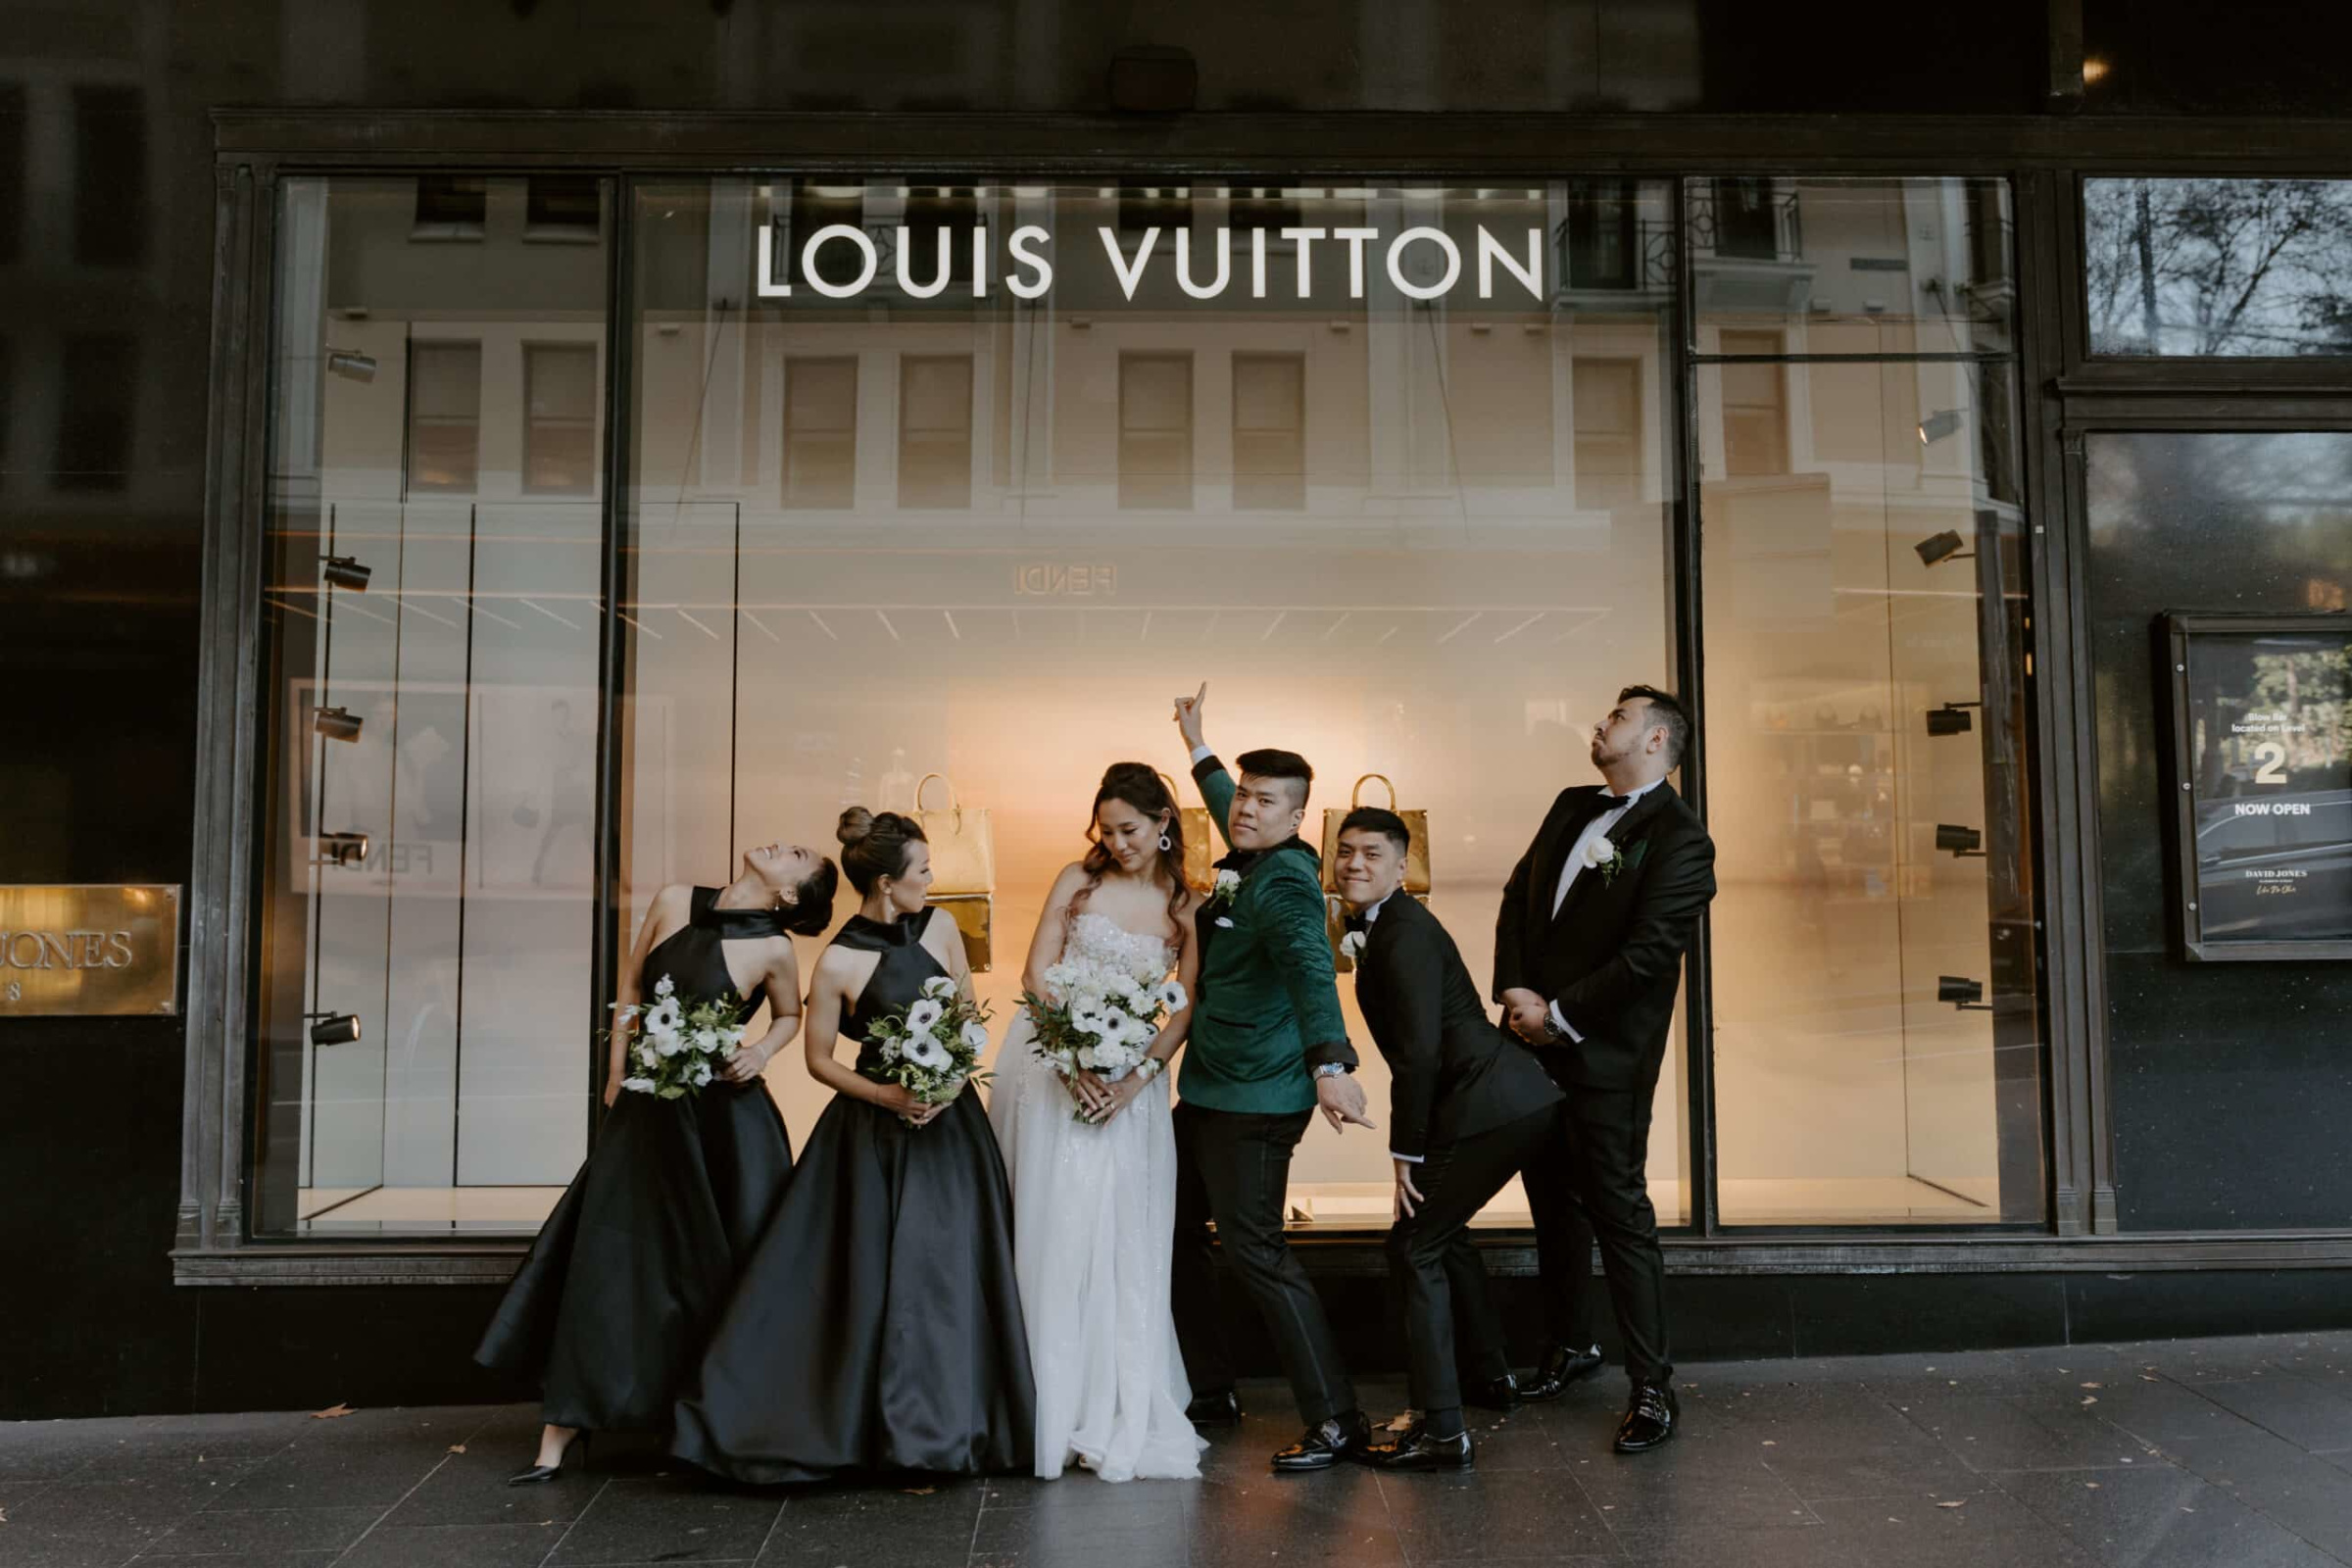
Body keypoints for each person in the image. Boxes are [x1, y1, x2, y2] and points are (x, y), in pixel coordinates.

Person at [670, 809, 1036, 1484]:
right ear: (890, 885)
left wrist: (951, 1086)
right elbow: (819, 1060)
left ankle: (950, 1424)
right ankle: (885, 1430)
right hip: (871, 1133)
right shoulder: (837, 960)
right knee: (873, 1279)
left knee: (947, 1276)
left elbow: (965, 1013)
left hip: (950, 1129)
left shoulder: (943, 928)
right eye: (923, 870)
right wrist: (890, 1098)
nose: (932, 879)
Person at [475, 842, 838, 1485]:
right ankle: (563, 1426)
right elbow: (632, 987)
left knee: (721, 1264)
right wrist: (617, 1073)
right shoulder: (675, 898)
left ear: (790, 895)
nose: (784, 844)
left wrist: (760, 1052)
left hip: (728, 1125)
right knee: (613, 1256)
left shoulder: (776, 948)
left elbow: (789, 1014)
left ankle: (708, 1422)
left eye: (798, 856)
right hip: (649, 1108)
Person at [1494, 685, 1717, 1454]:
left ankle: (1653, 1387)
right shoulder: (1569, 804)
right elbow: (1518, 896)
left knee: (1620, 1215)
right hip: (1528, 1043)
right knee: (1551, 1204)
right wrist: (1515, 990)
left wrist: (1559, 1017)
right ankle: (1569, 1343)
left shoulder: (1683, 840)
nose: (1599, 724)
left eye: (1618, 718)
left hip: (1605, 1058)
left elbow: (1650, 956)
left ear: (1656, 741)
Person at [1168, 683, 1379, 1474]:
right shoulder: (1248, 840)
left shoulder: (1285, 881)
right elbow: (1227, 795)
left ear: (1298, 819)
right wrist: (1197, 745)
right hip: (1208, 1090)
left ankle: (1337, 1418)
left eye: (1265, 802)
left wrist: (1330, 1063)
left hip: (1255, 1101)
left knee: (1257, 1252)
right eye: (1244, 797)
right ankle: (1211, 1387)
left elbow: (1310, 971)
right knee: (1178, 1233)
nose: (1245, 809)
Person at [989, 763, 1208, 1483]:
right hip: (1051, 1065)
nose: (1117, 843)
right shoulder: (1074, 881)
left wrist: (1136, 1078)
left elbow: (1183, 1007)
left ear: (1163, 822)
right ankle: (1039, 1401)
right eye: (1106, 830)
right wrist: (1070, 1057)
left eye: (1130, 829)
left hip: (1132, 1080)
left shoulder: (1184, 903)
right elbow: (1036, 972)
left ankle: (1112, 1393)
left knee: (1120, 1230)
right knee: (1053, 1222)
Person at [1333, 808, 1563, 1472]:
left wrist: (1407, 1151)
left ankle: (1441, 1428)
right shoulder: (1385, 927)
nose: (1355, 864)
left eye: (1373, 854)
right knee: (1443, 1231)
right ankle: (1489, 1378)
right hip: (1505, 1100)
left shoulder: (1403, 932)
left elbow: (1421, 1056)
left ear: (1402, 867)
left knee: (1413, 1244)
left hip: (1492, 1103)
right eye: (1345, 852)